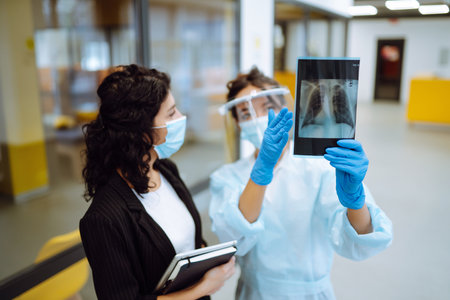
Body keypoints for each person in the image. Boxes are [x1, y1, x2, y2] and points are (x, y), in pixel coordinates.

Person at [209, 67, 393, 300]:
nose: (258, 120)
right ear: (237, 124)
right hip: (254, 293)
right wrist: (261, 172)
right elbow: (234, 238)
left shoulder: (319, 166)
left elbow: (361, 240)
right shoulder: (227, 177)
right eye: (246, 114)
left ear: (285, 108)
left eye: (267, 108)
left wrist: (356, 200)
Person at [79, 64, 235, 300]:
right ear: (141, 130)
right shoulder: (103, 219)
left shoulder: (165, 170)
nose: (181, 118)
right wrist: (202, 288)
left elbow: (189, 242)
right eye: (171, 113)